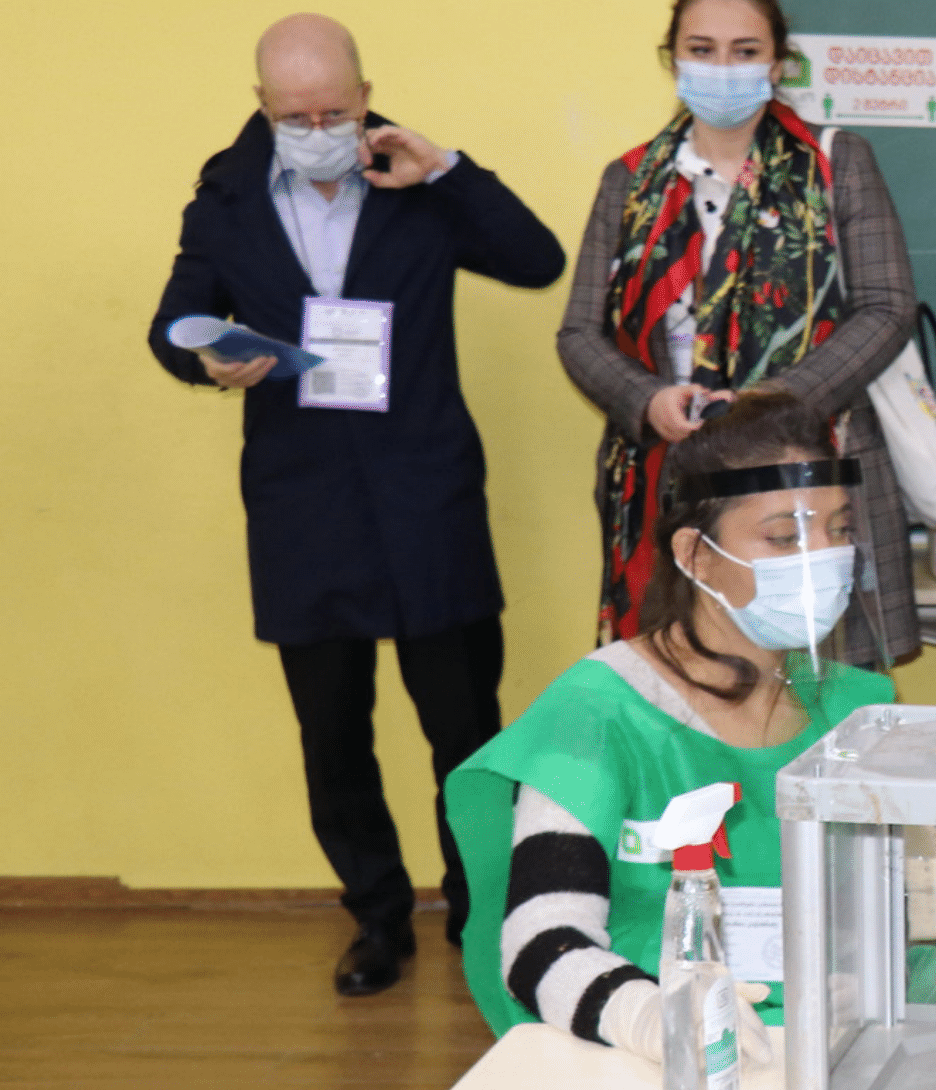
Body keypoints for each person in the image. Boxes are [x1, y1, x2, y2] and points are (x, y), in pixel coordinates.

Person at [144, 13, 565, 997]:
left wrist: (451, 169)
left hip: (430, 501)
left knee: (466, 731)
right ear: (262, 107)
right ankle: (377, 919)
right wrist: (199, 355)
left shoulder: (413, 178)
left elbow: (537, 259)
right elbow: (173, 318)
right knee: (334, 738)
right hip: (303, 510)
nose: (318, 125)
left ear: (366, 94)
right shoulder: (225, 195)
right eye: (295, 113)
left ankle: (482, 914)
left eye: (335, 107)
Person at [445, 391, 894, 1056]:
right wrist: (649, 1016)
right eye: (783, 536)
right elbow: (541, 940)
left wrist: (868, 973)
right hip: (641, 1053)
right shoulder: (599, 708)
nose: (823, 556)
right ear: (695, 554)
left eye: (839, 529)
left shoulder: (858, 708)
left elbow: (897, 909)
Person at [558, 0, 920, 664]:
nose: (722, 66)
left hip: (812, 470)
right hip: (672, 482)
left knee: (823, 692)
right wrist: (645, 400)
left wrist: (771, 407)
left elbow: (888, 308)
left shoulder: (839, 161)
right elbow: (580, 332)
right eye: (702, 49)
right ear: (673, 59)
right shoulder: (629, 180)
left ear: (777, 62)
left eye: (745, 51)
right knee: (686, 681)